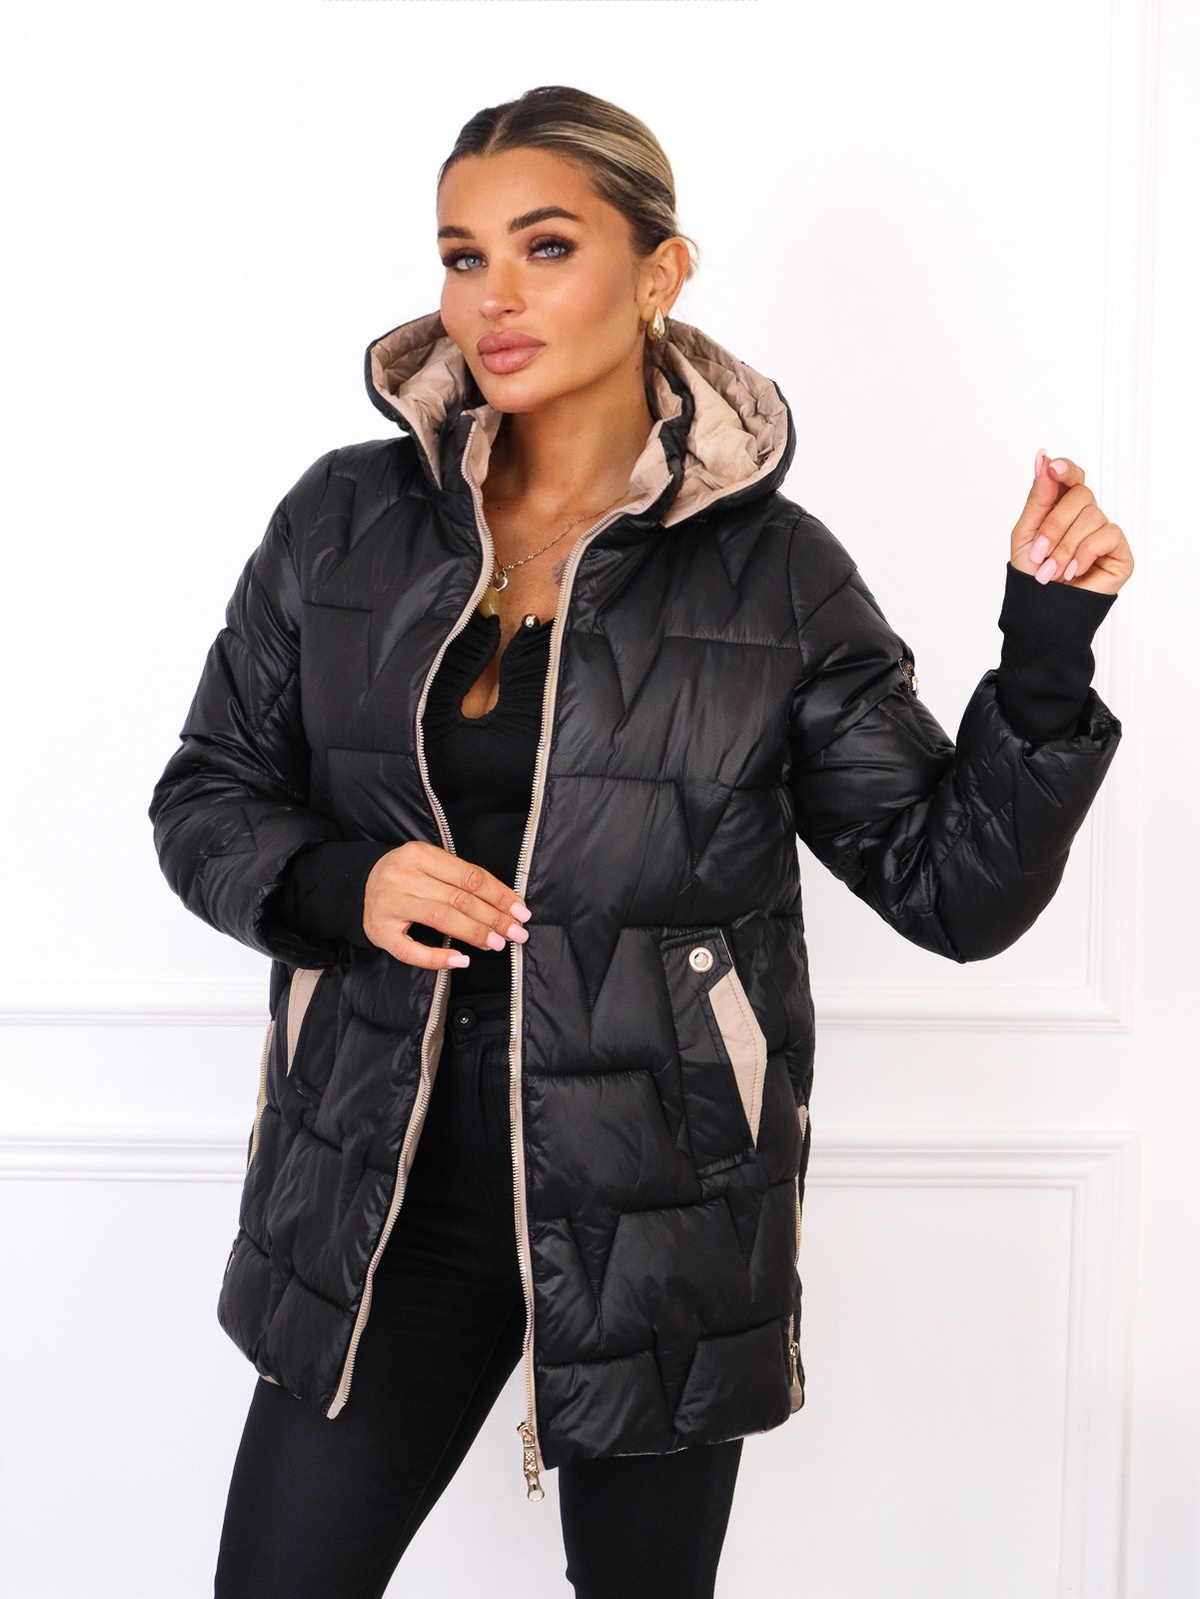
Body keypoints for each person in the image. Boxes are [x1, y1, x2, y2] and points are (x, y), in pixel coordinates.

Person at [147, 84, 1133, 1599]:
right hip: (377, 1198)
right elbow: (205, 795)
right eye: (462, 255)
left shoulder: (774, 578)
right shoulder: (345, 523)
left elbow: (954, 890)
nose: (494, 295)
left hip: (657, 1209)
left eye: (545, 246)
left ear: (659, 271)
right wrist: (346, 881)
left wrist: (1047, 655)